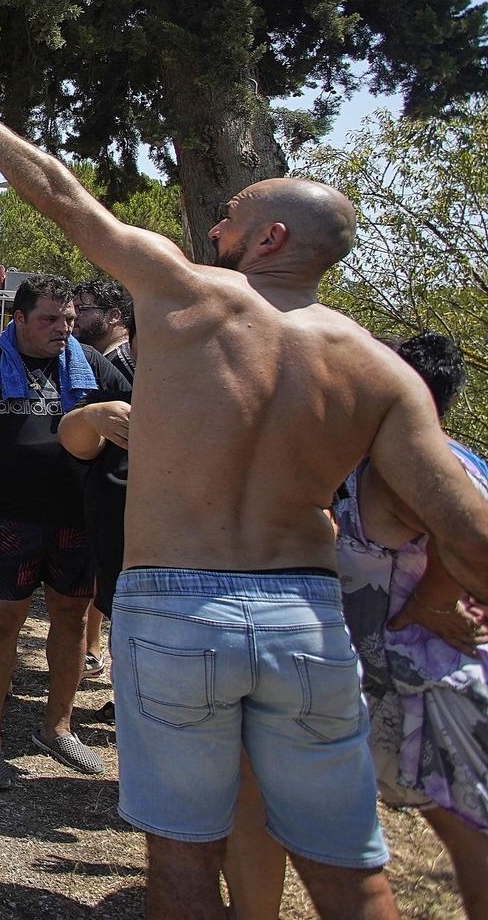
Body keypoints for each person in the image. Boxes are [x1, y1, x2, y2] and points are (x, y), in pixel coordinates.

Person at [0, 78, 488, 919]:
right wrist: (435, 605)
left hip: (178, 607)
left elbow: (63, 198)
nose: (214, 227)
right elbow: (468, 524)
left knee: (183, 858)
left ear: (270, 236)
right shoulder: (379, 369)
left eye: (230, 214)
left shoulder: (187, 296)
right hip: (306, 615)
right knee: (348, 867)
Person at [227, 332, 488, 919]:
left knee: (468, 835)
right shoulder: (445, 456)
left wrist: (437, 603)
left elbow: (474, 541)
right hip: (387, 673)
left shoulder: (411, 467)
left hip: (421, 681)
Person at [0, 273, 131, 790]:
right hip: (8, 518)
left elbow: (134, 425)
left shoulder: (95, 366)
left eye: (68, 319)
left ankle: (57, 728)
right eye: (49, 319)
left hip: (77, 520)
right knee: (0, 624)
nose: (62, 329)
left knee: (69, 617)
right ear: (17, 318)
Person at [71, 277, 135, 679]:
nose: (75, 317)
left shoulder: (123, 362)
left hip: (130, 504)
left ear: (114, 316)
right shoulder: (95, 358)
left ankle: (125, 691)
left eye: (85, 309)